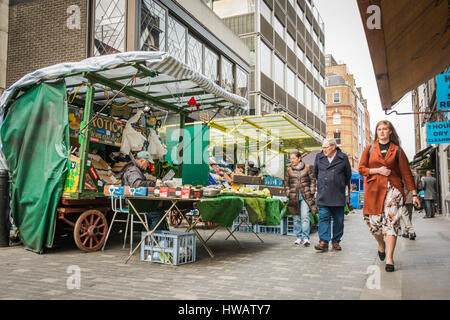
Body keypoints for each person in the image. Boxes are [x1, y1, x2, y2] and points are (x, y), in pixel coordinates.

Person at [359, 120, 420, 272]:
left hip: (394, 191)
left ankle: (390, 259)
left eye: (385, 129)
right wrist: (377, 170)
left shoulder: (397, 150)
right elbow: (361, 169)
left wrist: (414, 194)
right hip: (374, 191)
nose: (382, 131)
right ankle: (381, 245)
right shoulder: (369, 149)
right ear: (376, 132)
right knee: (373, 224)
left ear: (390, 131)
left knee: (391, 224)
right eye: (379, 129)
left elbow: (406, 174)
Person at [313, 138, 352, 251]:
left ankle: (336, 241)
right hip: (323, 194)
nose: (323, 150)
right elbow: (316, 173)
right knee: (324, 218)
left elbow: (347, 175)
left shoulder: (343, 157)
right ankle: (324, 241)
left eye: (326, 147)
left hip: (337, 194)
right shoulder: (319, 157)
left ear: (333, 147)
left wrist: (339, 184)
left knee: (338, 220)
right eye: (323, 147)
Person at [120, 151, 168, 231]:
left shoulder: (134, 168)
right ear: (142, 160)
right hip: (133, 202)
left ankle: (156, 237)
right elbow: (137, 185)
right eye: (148, 163)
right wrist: (153, 184)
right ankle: (152, 239)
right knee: (158, 214)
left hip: (135, 200)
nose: (149, 165)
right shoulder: (133, 169)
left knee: (158, 209)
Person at [284, 151, 318, 247]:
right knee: (296, 218)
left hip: (305, 197)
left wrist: (311, 191)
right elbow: (286, 184)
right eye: (291, 158)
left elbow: (312, 180)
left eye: (294, 158)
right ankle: (299, 237)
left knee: (305, 217)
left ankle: (306, 238)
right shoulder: (289, 170)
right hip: (293, 197)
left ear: (299, 158)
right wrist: (288, 192)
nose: (292, 160)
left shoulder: (307, 168)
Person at [401, 169, 422, 240]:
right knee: (409, 214)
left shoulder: (401, 175)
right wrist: (415, 194)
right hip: (413, 197)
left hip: (403, 197)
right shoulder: (416, 175)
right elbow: (420, 187)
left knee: (404, 214)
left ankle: (411, 231)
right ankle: (406, 232)